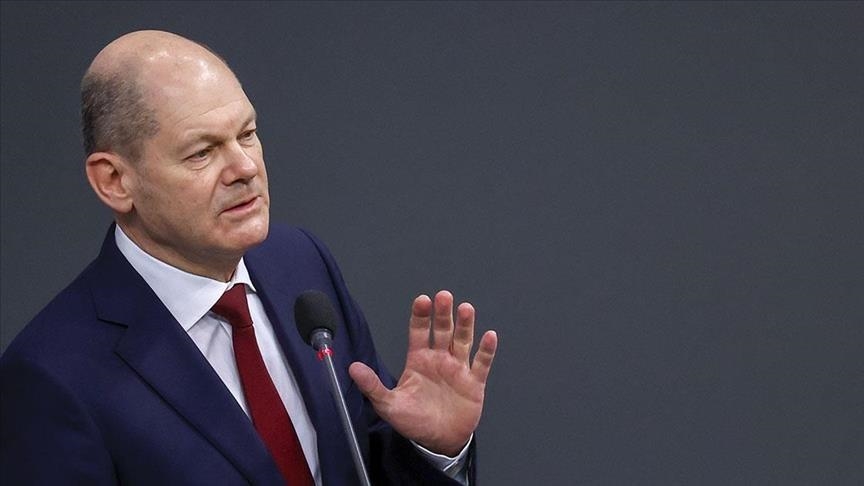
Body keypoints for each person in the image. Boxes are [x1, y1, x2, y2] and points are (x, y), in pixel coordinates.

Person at [0, 30, 498, 485]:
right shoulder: (51, 377)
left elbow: (365, 463)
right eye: (201, 152)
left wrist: (433, 450)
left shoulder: (300, 265)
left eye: (247, 134)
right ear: (114, 181)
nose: (244, 168)